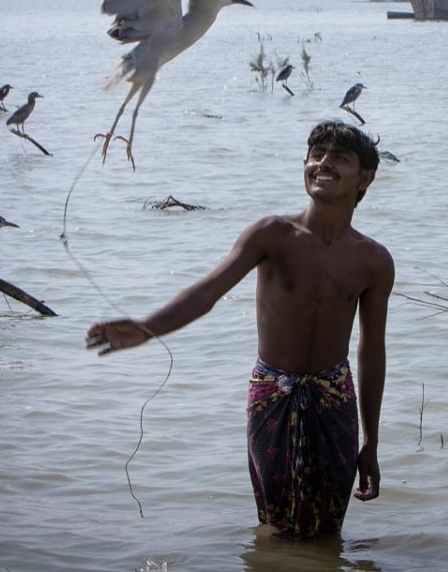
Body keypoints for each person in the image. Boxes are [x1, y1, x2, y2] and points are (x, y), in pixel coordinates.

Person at [85, 120, 393, 538]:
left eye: (340, 157)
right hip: (272, 393)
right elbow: (208, 291)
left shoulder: (372, 259)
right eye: (316, 154)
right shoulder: (273, 234)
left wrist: (371, 442)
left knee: (328, 528)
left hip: (333, 393)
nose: (324, 163)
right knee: (276, 522)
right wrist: (148, 327)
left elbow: (372, 349)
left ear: (365, 178)